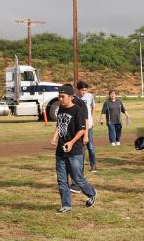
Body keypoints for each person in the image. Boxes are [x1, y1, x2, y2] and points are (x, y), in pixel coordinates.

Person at [50, 85, 97, 213]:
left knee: (77, 177)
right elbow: (59, 124)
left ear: (70, 97)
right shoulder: (60, 108)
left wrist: (71, 142)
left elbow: (82, 130)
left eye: (62, 97)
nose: (60, 99)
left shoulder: (77, 110)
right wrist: (54, 136)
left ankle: (91, 193)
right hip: (61, 150)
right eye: (59, 96)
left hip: (75, 150)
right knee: (61, 179)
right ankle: (66, 205)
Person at [76, 81, 97, 172]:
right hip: (79, 126)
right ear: (78, 89)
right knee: (81, 149)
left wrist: (91, 118)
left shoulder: (90, 96)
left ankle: (93, 165)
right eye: (82, 90)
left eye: (85, 90)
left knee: (90, 147)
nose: (84, 92)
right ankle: (80, 168)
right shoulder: (74, 98)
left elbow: (93, 107)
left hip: (89, 126)